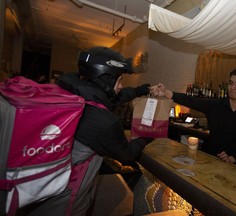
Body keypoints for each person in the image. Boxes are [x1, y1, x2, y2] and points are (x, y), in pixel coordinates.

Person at [19, 46, 153, 216]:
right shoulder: (103, 122)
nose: (121, 86)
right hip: (64, 203)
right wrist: (146, 138)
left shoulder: (72, 93)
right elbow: (126, 154)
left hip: (35, 191)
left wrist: (141, 90)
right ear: (106, 79)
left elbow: (114, 97)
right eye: (120, 80)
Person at [150, 68, 236, 169]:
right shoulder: (216, 106)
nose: (232, 88)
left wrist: (233, 158)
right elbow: (191, 101)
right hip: (210, 162)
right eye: (231, 83)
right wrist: (166, 92)